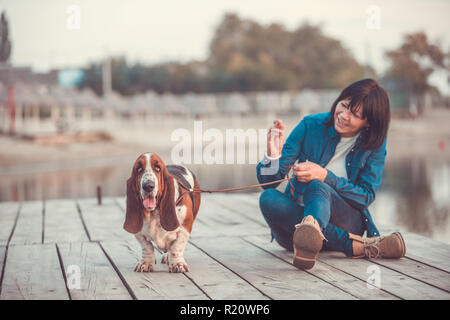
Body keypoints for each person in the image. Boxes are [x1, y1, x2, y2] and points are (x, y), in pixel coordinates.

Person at [257, 78, 406, 270]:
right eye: (343, 105)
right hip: (292, 232)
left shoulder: (374, 145)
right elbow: (268, 183)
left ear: (368, 122)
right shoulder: (310, 125)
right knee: (267, 197)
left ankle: (313, 234)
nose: (343, 115)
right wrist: (272, 155)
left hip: (346, 222)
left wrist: (325, 176)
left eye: (354, 114)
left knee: (317, 185)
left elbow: (365, 196)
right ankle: (356, 245)